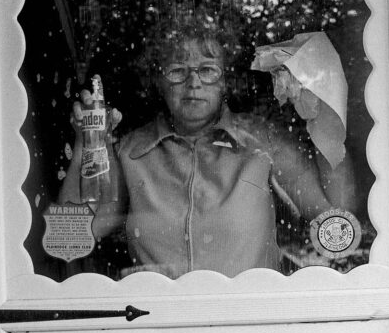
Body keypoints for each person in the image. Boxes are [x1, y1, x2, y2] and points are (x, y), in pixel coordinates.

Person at [58, 23, 357, 278]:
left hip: (251, 326)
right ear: (158, 82)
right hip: (157, 330)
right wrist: (86, 141)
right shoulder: (129, 151)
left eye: (208, 70)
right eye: (177, 70)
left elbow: (335, 221)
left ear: (226, 82)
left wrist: (322, 109)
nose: (194, 83)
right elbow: (67, 242)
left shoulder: (264, 143)